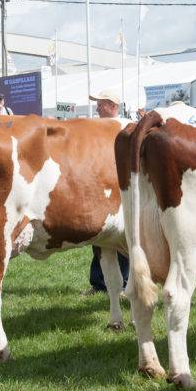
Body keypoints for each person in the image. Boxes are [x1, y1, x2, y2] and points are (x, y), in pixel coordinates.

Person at [85, 88, 130, 294]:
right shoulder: (97, 128)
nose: (97, 106)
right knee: (99, 236)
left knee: (122, 237)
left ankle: (124, 283)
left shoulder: (125, 128)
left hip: (121, 188)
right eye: (98, 103)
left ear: (113, 106)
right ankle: (98, 283)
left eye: (101, 103)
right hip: (101, 187)